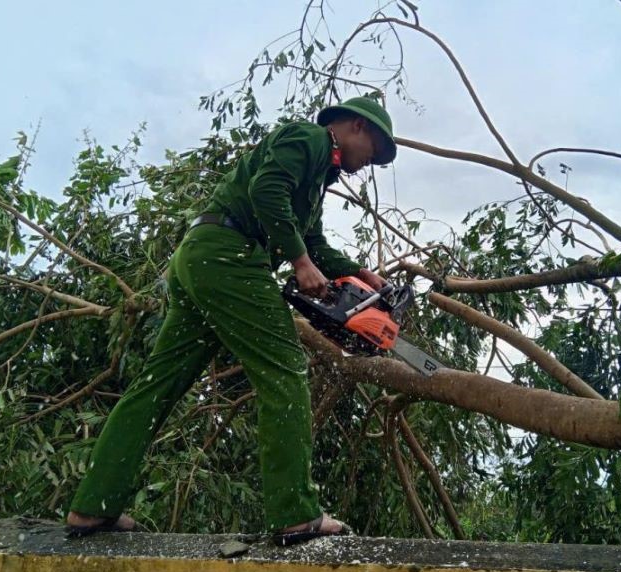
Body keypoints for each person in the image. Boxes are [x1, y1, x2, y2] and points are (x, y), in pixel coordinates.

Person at [65, 96, 397, 545]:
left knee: (158, 384)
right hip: (230, 258)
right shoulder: (312, 138)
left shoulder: (317, 175)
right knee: (284, 369)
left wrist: (358, 273)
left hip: (199, 257)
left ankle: (93, 506)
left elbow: (311, 238)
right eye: (373, 151)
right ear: (356, 127)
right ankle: (295, 513)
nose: (369, 162)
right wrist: (299, 263)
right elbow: (266, 192)